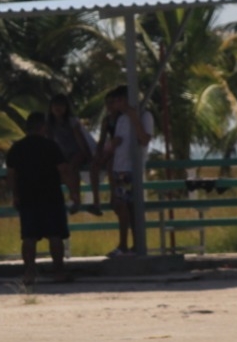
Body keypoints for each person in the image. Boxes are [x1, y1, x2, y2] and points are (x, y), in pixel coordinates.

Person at [6, 111, 70, 284]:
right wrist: (73, 191)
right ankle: (58, 271)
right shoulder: (51, 146)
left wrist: (15, 195)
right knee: (55, 235)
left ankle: (29, 272)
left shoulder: (17, 147)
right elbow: (63, 169)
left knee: (29, 236)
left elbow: (11, 174)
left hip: (27, 195)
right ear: (43, 127)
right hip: (51, 195)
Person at [99, 85, 154, 257]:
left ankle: (130, 244)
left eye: (119, 100)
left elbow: (144, 139)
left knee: (129, 208)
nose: (116, 104)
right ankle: (128, 245)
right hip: (119, 167)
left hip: (132, 169)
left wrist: (134, 118)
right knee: (122, 207)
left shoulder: (145, 116)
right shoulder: (121, 119)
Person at [44, 93, 102, 215]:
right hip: (63, 153)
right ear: (51, 108)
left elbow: (81, 140)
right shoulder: (49, 123)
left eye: (61, 105)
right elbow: (49, 142)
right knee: (60, 170)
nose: (58, 109)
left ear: (66, 108)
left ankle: (75, 199)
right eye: (55, 105)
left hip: (78, 150)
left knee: (72, 167)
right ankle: (72, 197)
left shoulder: (71, 121)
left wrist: (88, 156)